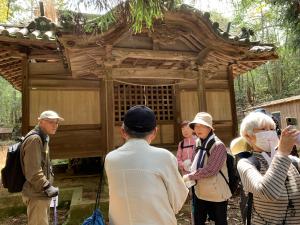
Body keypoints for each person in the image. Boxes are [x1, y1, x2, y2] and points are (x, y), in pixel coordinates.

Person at [105, 105, 188, 225]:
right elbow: (177, 201)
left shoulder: (111, 158)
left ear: (123, 131)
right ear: (154, 132)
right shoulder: (164, 157)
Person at [237, 111, 300, 225]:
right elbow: (267, 192)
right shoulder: (246, 163)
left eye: (272, 129)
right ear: (248, 136)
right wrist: (282, 153)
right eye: (263, 129)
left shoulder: (292, 161)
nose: (270, 133)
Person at [183, 112, 231, 225]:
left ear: (210, 128)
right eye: (196, 126)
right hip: (200, 190)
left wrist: (190, 176)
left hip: (217, 192)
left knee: (220, 221)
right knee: (198, 220)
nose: (198, 129)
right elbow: (196, 162)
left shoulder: (218, 145)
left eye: (202, 125)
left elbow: (211, 170)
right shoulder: (198, 142)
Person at [21, 110, 63, 225]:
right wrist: (47, 186)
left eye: (57, 122)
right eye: (51, 122)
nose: (55, 125)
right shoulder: (34, 139)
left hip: (41, 194)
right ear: (40, 122)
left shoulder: (43, 137)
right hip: (36, 195)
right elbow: (33, 171)